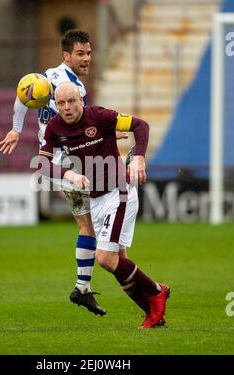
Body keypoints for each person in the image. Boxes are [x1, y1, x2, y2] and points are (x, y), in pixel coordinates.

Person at [0, 29, 114, 316]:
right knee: (98, 226)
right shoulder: (68, 87)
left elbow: (22, 94)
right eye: (80, 54)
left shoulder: (46, 76)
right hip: (66, 163)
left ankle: (83, 288)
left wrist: (16, 128)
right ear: (67, 56)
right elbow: (26, 98)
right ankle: (86, 285)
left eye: (89, 52)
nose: (87, 58)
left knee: (88, 228)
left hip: (59, 163)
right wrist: (16, 128)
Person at [37, 81, 170, 329]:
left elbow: (140, 125)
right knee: (118, 261)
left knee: (105, 259)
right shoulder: (54, 127)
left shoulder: (100, 116)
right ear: (56, 105)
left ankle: (157, 290)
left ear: (81, 101)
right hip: (96, 199)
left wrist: (139, 158)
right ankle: (153, 314)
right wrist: (70, 174)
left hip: (118, 192)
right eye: (61, 103)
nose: (66, 107)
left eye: (71, 101)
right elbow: (42, 164)